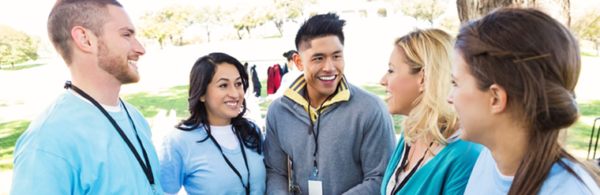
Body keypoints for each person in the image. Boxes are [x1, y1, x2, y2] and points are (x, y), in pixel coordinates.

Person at [11, 0, 162, 194]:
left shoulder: (135, 117)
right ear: (85, 39)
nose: (141, 49)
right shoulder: (47, 141)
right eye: (126, 35)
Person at [448, 8, 600, 195]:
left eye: (456, 83)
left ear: (495, 99)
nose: (449, 97)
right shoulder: (489, 159)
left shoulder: (570, 190)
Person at [263, 13, 396, 195]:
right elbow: (276, 172)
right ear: (299, 62)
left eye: (336, 56)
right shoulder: (278, 111)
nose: (330, 67)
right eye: (318, 58)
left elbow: (380, 178)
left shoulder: (371, 109)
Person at [379, 29, 483, 195]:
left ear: (423, 77)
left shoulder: (465, 154)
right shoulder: (412, 131)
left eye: (391, 70)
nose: (382, 81)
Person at [159, 52, 266, 195]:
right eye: (223, 85)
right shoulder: (178, 141)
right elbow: (164, 192)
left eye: (238, 84)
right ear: (201, 94)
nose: (235, 94)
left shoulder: (251, 131)